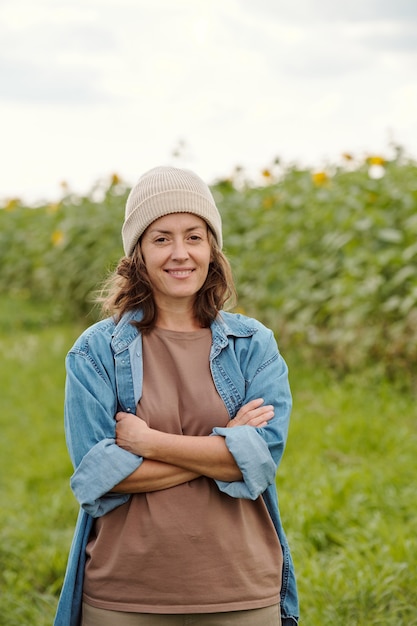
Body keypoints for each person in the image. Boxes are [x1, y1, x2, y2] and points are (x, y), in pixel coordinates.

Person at [54, 166, 299, 626]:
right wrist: (224, 450)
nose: (180, 254)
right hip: (124, 595)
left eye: (193, 236)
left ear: (212, 249)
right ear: (138, 253)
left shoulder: (254, 345)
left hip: (242, 591)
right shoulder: (95, 351)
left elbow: (260, 461)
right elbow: (98, 476)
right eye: (161, 238)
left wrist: (150, 444)